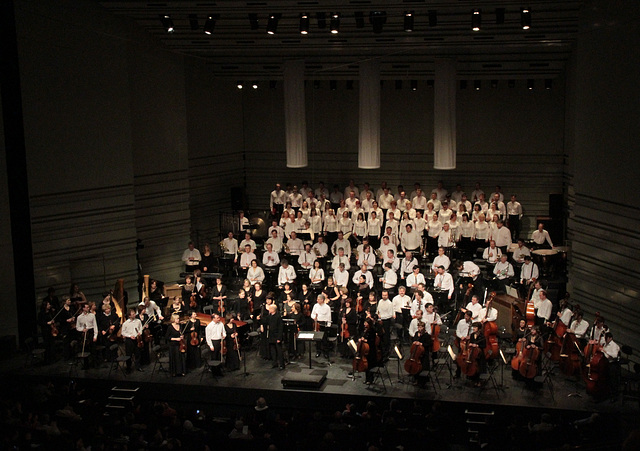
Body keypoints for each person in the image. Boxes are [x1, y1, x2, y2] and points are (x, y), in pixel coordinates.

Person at [121, 308, 144, 373]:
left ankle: (138, 366)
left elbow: (140, 329)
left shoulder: (138, 321)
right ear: (129, 316)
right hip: (129, 341)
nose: (135, 315)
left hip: (137, 339)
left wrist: (140, 333)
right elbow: (123, 332)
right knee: (129, 354)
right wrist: (129, 336)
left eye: (134, 314)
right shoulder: (125, 323)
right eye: (133, 314)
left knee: (137, 353)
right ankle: (128, 367)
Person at [311, 294, 332, 359]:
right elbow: (312, 314)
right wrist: (314, 317)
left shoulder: (327, 307)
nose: (317, 300)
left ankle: (326, 352)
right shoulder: (315, 306)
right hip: (317, 323)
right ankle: (318, 351)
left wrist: (328, 325)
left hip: (324, 324)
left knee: (324, 339)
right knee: (317, 339)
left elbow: (329, 316)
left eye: (318, 299)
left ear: (322, 300)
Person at [264, 304, 285, 369]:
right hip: (271, 336)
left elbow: (280, 328)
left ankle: (282, 364)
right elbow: (265, 322)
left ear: (273, 310)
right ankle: (274, 363)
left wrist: (279, 338)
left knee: (279, 351)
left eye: (270, 309)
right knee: (272, 350)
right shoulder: (269, 316)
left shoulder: (278, 317)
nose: (268, 310)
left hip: (277, 336)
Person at [454, 311, 474, 378]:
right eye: (465, 316)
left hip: (469, 341)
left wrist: (470, 336)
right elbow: (457, 331)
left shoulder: (473, 323)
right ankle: (458, 372)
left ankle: (468, 372)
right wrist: (461, 336)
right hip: (461, 341)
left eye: (467, 316)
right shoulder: (461, 322)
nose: (466, 317)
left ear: (470, 317)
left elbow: (473, 332)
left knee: (469, 356)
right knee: (460, 356)